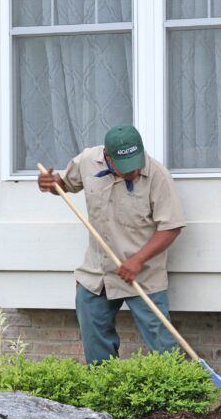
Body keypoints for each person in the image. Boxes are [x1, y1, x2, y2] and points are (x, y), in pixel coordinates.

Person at [38, 125, 185, 364]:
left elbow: (171, 227)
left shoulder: (157, 176)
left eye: (136, 164)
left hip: (143, 274)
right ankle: (105, 393)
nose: (134, 171)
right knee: (95, 342)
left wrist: (137, 260)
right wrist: (50, 184)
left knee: (163, 345)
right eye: (126, 168)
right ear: (107, 157)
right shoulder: (87, 160)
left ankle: (179, 395)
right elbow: (63, 185)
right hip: (98, 272)